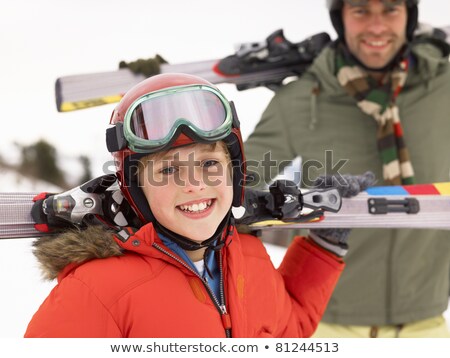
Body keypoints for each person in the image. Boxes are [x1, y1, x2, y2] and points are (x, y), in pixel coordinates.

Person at [24, 73, 359, 338]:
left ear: (234, 171)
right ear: (136, 186)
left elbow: (289, 331)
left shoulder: (251, 257)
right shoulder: (96, 292)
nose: (194, 184)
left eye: (209, 164)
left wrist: (324, 249)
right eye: (169, 169)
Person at [244, 0, 450, 338]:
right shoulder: (301, 99)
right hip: (325, 324)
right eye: (360, 10)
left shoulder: (443, 89)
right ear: (340, 18)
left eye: (390, 10)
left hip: (425, 323)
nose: (376, 26)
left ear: (409, 16)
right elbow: (234, 183)